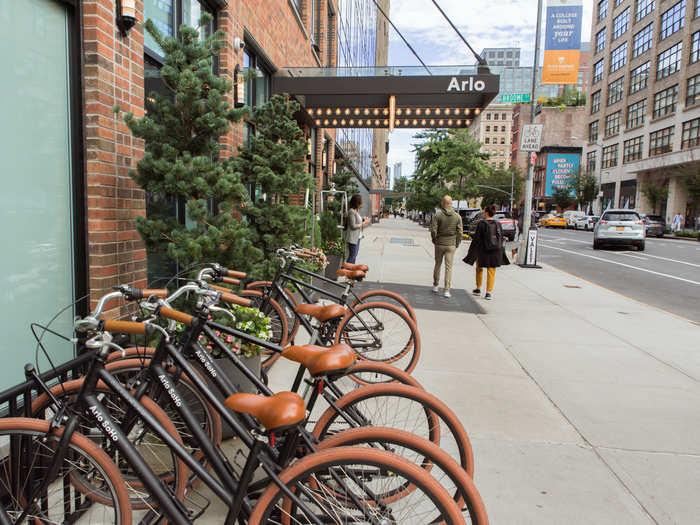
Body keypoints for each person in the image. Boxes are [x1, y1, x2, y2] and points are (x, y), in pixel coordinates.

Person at [463, 204, 510, 300]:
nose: (483, 212)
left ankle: (478, 288)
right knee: (491, 271)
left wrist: (471, 251)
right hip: (495, 251)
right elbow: (501, 238)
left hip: (482, 251)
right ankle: (488, 292)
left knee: (479, 269)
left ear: (487, 212)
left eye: (484, 211)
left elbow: (477, 239)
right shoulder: (498, 224)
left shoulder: (481, 224)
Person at [430, 195, 462, 298]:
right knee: (449, 268)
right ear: (451, 203)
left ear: (443, 203)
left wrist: (435, 240)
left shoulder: (437, 215)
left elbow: (433, 230)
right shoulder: (457, 216)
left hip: (440, 243)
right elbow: (460, 232)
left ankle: (435, 285)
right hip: (451, 244)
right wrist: (457, 243)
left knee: (438, 264)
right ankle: (447, 290)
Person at [344, 194, 368, 263]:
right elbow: (353, 226)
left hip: (358, 237)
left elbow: (357, 220)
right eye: (360, 202)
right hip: (352, 237)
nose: (361, 203)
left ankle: (351, 271)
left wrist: (362, 219)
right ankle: (346, 270)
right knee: (352, 256)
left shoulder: (356, 211)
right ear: (357, 202)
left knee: (354, 255)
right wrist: (364, 223)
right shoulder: (351, 211)